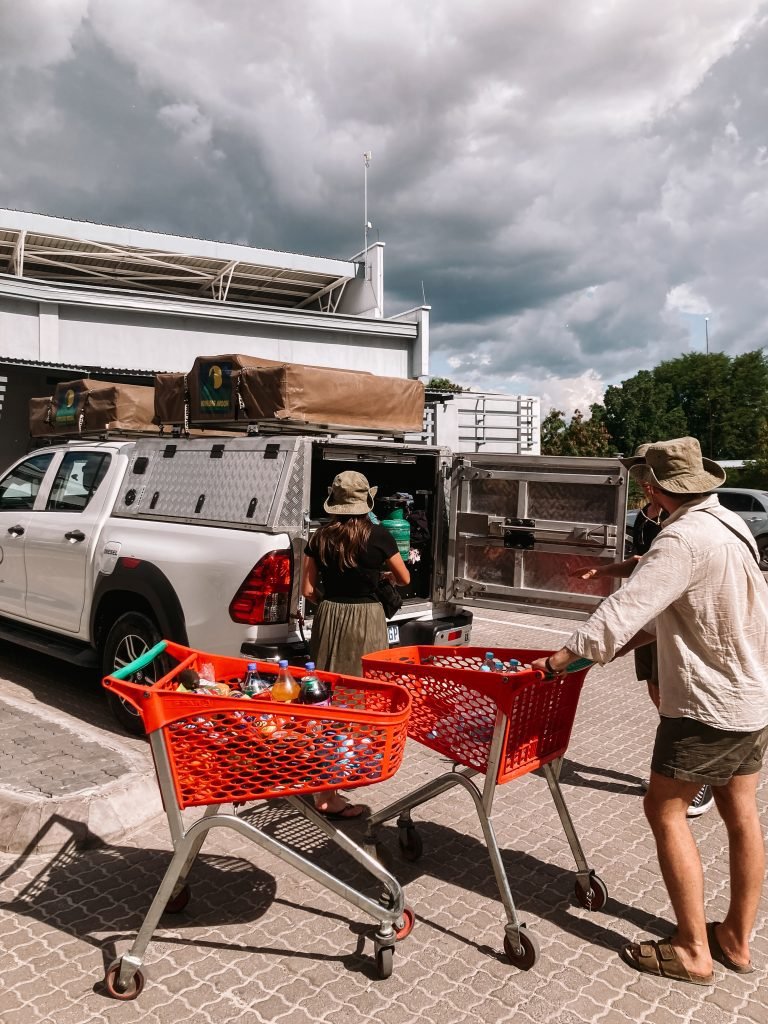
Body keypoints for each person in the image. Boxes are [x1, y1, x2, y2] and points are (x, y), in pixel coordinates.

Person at [534, 437, 768, 985]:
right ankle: (735, 937)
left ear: (653, 486)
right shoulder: (729, 524)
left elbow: (620, 612)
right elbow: (681, 611)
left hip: (708, 704)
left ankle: (692, 950)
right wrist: (616, 648)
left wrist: (562, 658)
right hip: (752, 695)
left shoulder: (680, 538)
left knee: (663, 809)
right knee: (742, 812)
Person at [571, 446, 713, 819]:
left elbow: (654, 570)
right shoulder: (649, 518)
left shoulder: (684, 528)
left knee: (676, 698)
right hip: (651, 617)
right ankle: (688, 769)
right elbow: (641, 563)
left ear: (654, 482)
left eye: (642, 473)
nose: (640, 481)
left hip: (670, 619)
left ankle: (696, 781)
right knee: (656, 689)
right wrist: (603, 573)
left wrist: (569, 655)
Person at [302, 470, 410, 820]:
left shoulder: (320, 537)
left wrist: (329, 605)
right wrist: (380, 576)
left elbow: (307, 590)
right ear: (365, 502)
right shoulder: (379, 536)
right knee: (360, 697)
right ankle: (334, 784)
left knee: (325, 699)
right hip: (367, 619)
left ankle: (324, 781)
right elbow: (405, 577)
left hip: (330, 616)